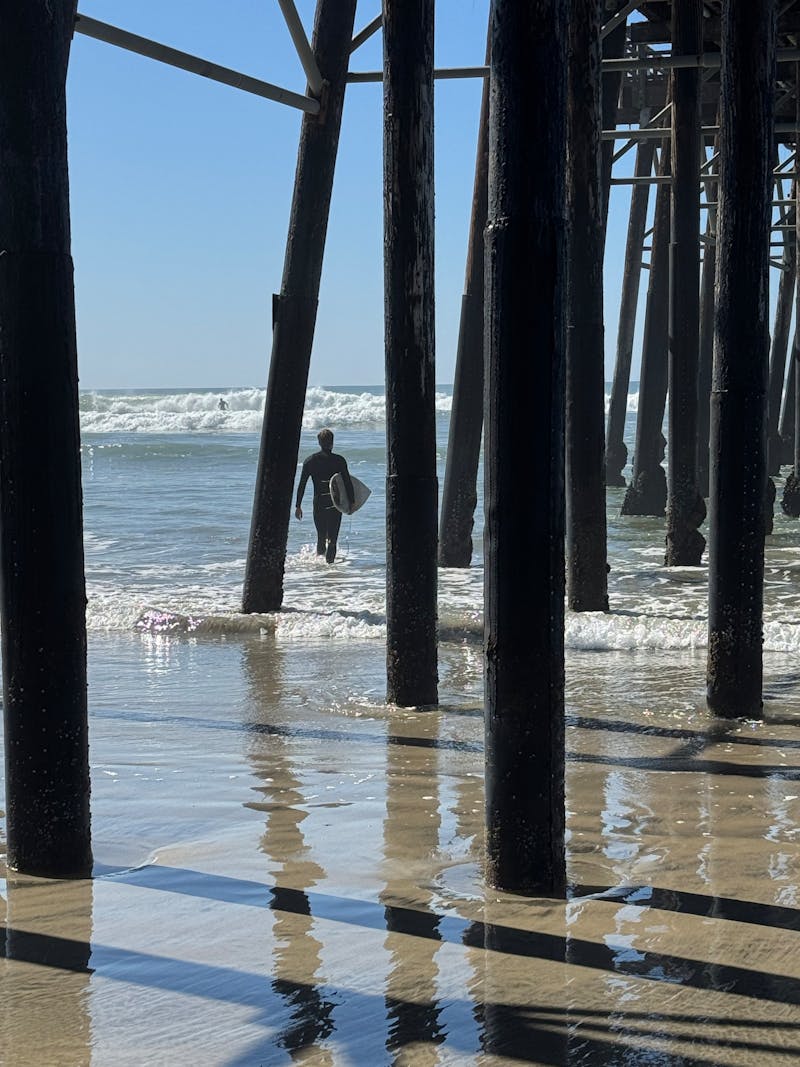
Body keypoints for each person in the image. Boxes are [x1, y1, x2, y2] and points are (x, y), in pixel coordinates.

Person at [294, 428, 354, 563]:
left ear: (319, 443)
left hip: (319, 503)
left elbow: (302, 484)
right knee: (333, 539)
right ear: (332, 443)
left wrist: (298, 506)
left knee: (321, 536)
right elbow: (347, 482)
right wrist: (352, 502)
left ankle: (320, 568)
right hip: (335, 504)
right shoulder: (339, 460)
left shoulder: (310, 461)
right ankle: (330, 568)